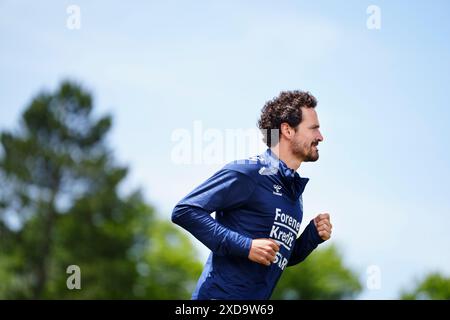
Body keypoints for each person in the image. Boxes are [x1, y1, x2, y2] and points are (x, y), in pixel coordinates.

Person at [171, 90, 333, 300]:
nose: (321, 137)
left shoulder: (293, 193)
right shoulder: (248, 172)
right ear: (287, 130)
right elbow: (184, 211)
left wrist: (311, 237)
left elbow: (279, 256)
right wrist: (246, 246)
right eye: (314, 129)